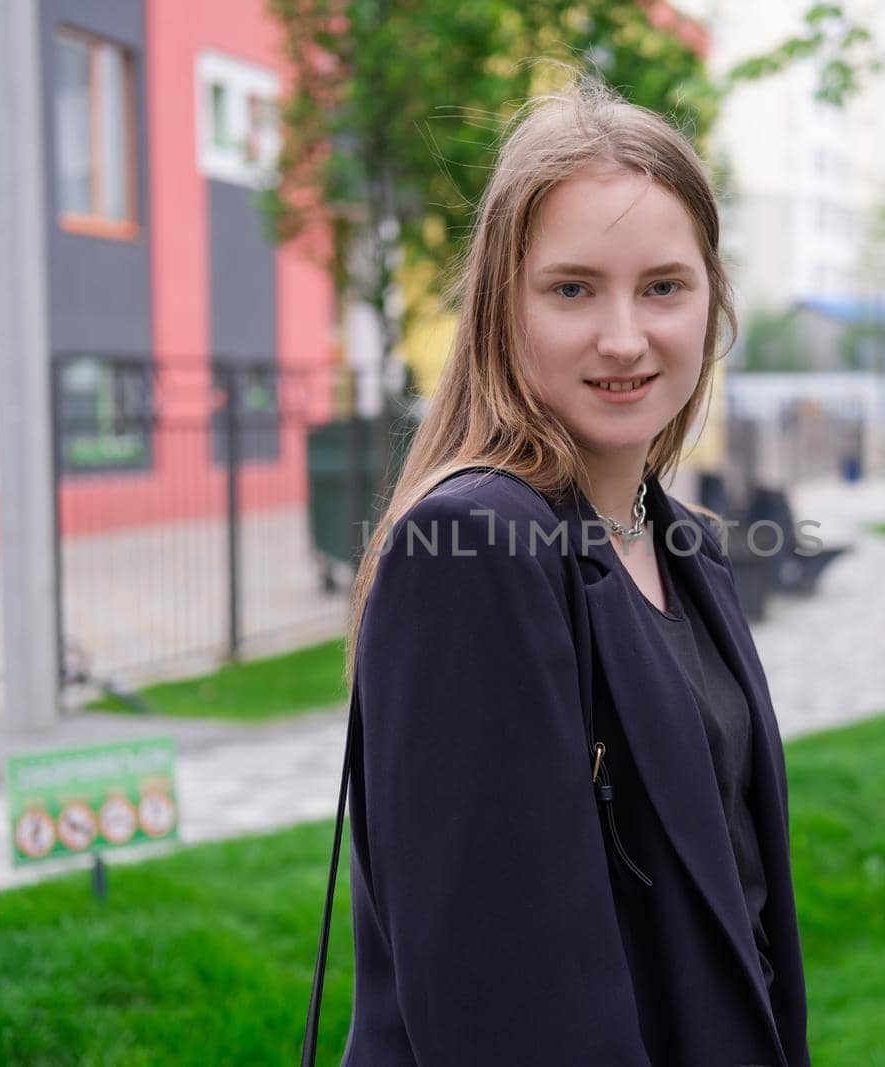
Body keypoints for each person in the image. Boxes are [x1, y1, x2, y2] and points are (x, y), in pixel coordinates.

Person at [337, 79, 810, 1066]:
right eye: (573, 288)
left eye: (664, 286)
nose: (626, 337)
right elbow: (503, 1009)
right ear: (501, 306)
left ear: (712, 298)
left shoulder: (684, 542)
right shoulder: (474, 554)